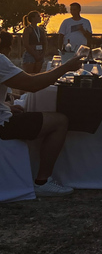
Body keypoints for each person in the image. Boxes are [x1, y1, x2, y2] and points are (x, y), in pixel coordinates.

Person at [0, 30, 84, 196]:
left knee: (27, 111)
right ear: (7, 47)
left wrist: (6, 106)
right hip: (2, 125)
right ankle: (43, 181)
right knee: (59, 121)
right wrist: (66, 67)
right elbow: (31, 85)